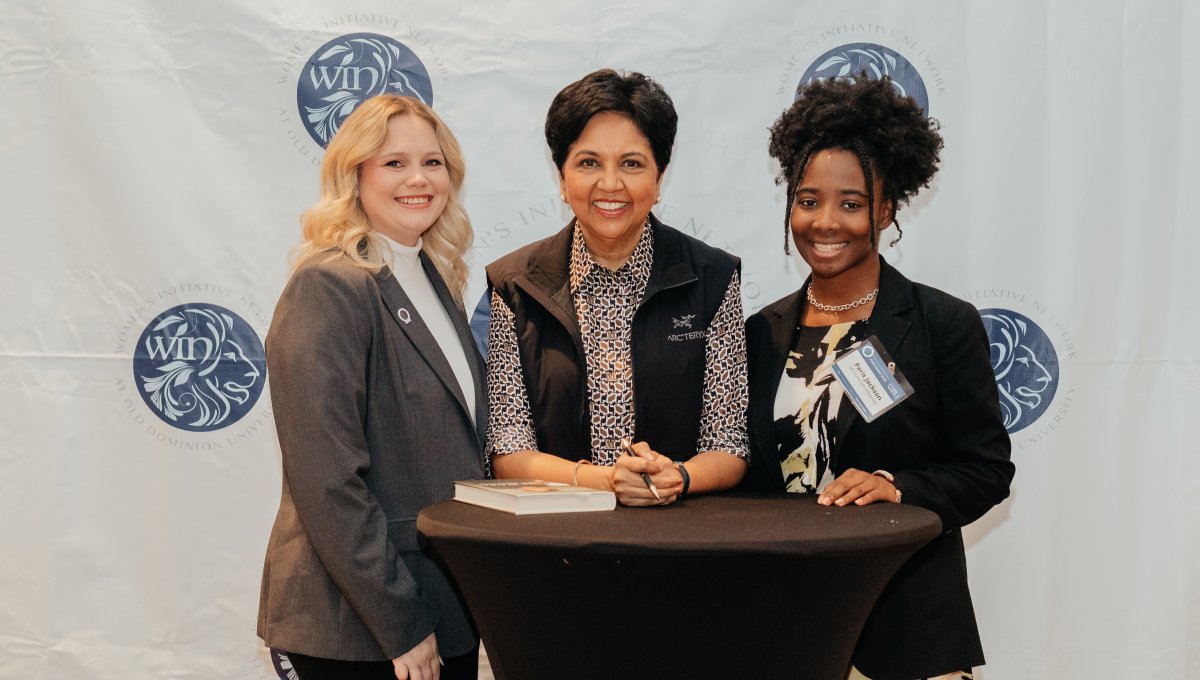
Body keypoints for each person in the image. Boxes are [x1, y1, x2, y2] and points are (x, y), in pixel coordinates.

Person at [744, 75, 1015, 680]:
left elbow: (986, 470)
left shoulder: (940, 323)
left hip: (905, 631)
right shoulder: (759, 334)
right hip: (784, 629)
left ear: (886, 210)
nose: (825, 222)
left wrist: (896, 485)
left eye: (851, 203)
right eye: (808, 200)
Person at [257, 94, 485, 680]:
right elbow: (327, 479)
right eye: (394, 163)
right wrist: (399, 621)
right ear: (354, 176)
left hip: (443, 607)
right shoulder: (329, 286)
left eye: (432, 163)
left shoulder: (438, 281)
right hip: (359, 627)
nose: (418, 179)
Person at [486, 68, 749, 506]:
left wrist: (677, 477)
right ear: (562, 179)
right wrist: (607, 481)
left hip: (680, 531)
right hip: (557, 532)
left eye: (632, 164)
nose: (610, 184)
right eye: (589, 163)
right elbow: (508, 448)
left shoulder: (712, 278)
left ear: (659, 178)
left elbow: (730, 443)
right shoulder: (515, 284)